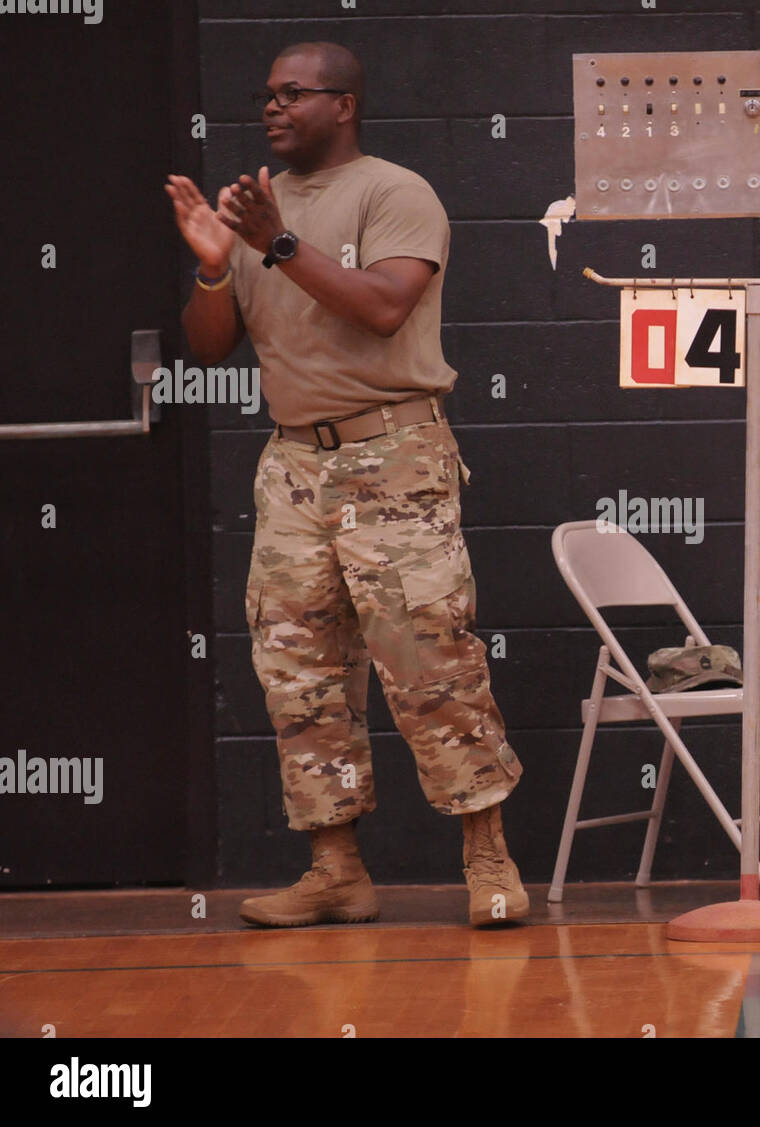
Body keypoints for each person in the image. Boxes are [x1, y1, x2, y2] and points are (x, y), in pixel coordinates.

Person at [164, 40, 528, 928]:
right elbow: (209, 347)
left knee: (429, 662)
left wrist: (275, 245)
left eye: (295, 94)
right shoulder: (256, 210)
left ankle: (490, 859)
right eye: (267, 95)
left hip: (391, 456)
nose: (273, 108)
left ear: (345, 104)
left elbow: (382, 307)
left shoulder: (394, 192)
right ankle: (336, 869)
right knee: (299, 671)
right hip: (292, 466)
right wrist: (216, 264)